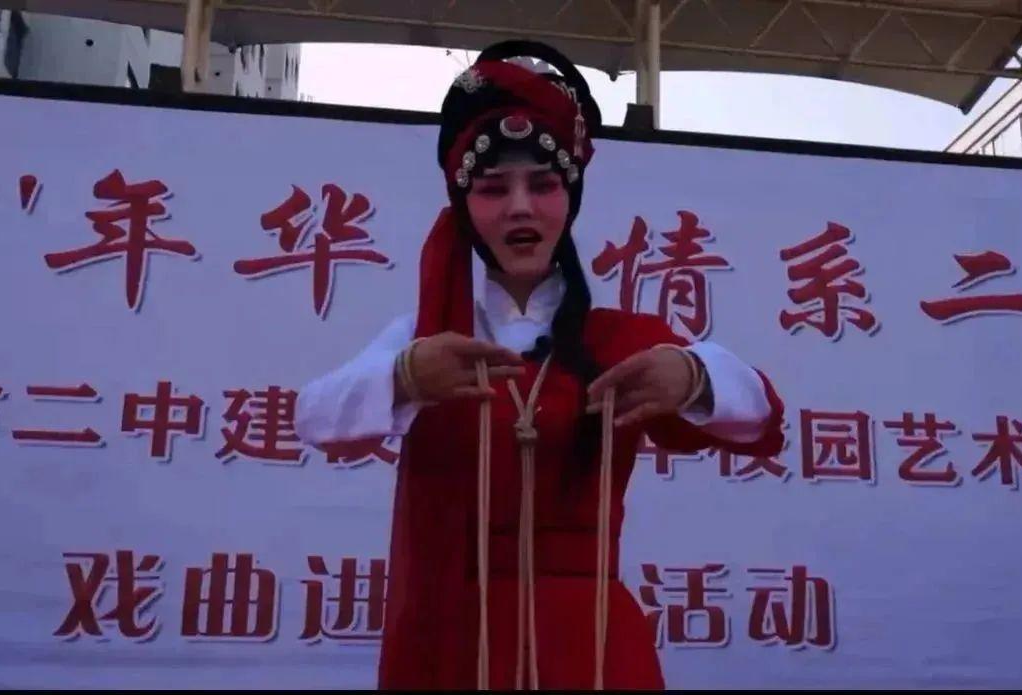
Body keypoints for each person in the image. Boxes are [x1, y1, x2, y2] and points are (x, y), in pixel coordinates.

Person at [293, 40, 786, 690]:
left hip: (593, 647)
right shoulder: (433, 338)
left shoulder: (617, 340)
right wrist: (405, 378)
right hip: (459, 643)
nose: (520, 206)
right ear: (465, 206)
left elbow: (760, 418)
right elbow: (313, 417)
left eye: (544, 185)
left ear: (569, 198)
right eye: (493, 188)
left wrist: (693, 376)